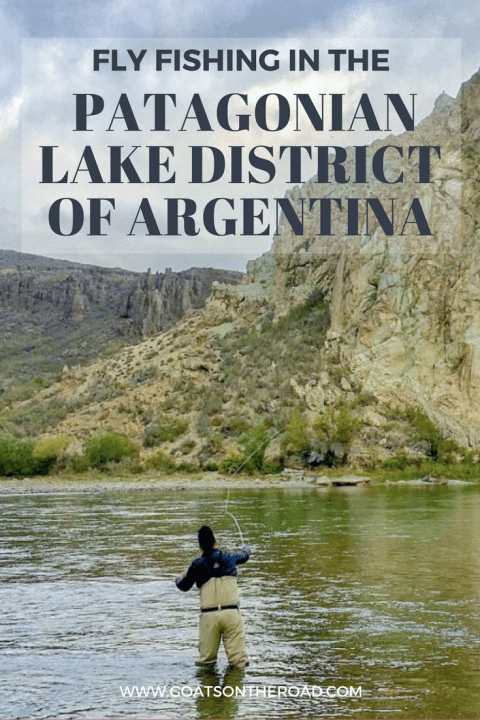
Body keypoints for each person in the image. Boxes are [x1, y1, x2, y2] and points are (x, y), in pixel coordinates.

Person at [175, 525, 250, 668]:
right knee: (239, 663)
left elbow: (183, 586)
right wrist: (245, 548)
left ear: (200, 547)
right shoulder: (230, 556)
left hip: (209, 617)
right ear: (216, 543)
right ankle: (234, 686)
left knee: (206, 664)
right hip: (231, 613)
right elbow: (245, 555)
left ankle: (208, 689)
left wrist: (179, 577)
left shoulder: (197, 564)